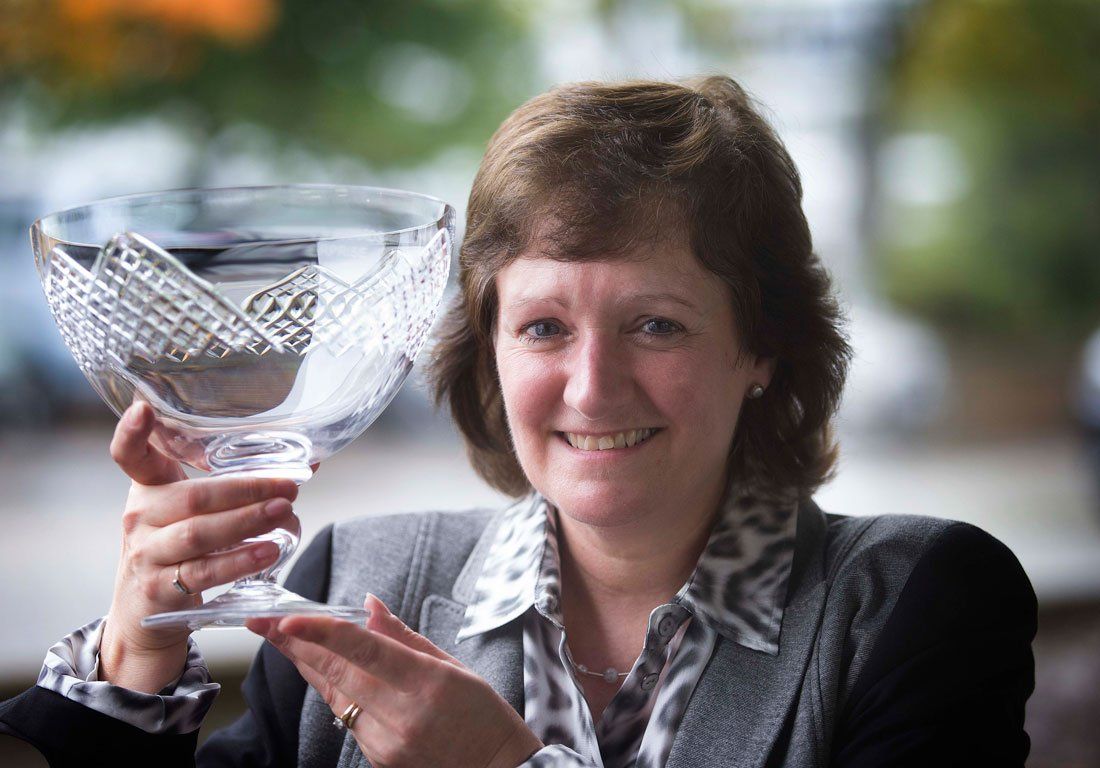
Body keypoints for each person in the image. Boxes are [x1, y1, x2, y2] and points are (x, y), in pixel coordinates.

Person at [0, 76, 1036, 767]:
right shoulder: (349, 586)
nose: (591, 387)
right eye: (542, 326)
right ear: (488, 349)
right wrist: (139, 652)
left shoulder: (912, 604)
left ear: (761, 347)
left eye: (655, 324)